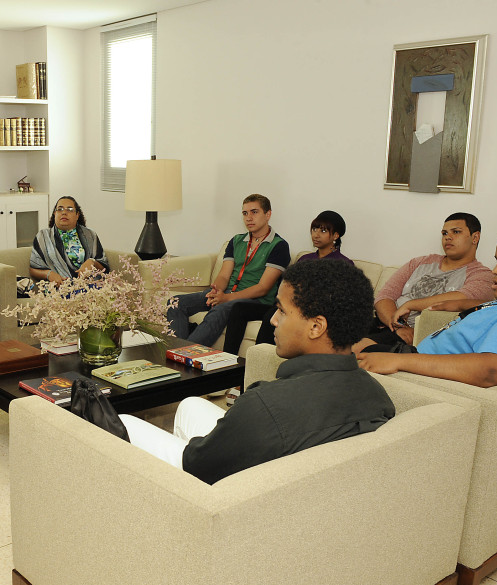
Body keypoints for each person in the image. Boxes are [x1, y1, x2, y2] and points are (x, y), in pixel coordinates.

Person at [116, 259, 394, 485]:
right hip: (295, 478)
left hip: (235, 494)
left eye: (282, 312)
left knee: (123, 422)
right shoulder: (376, 394)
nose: (273, 320)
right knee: (189, 405)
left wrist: (205, 447)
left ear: (316, 327)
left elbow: (197, 465)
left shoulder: (266, 404)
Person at [358, 222, 497, 387]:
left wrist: (399, 360)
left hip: (416, 370)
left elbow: (491, 371)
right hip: (419, 357)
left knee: (338, 357)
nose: (496, 270)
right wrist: (468, 303)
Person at [223, 210, 352, 404]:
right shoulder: (305, 260)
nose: (316, 234)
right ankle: (230, 369)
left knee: (271, 318)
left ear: (336, 236)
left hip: (310, 315)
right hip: (286, 307)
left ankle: (253, 380)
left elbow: (336, 300)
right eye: (315, 229)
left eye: (323, 230)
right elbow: (287, 288)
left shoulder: (343, 264)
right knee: (240, 309)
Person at [353, 212, 494, 351]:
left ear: (475, 237)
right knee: (335, 335)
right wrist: (397, 325)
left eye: (456, 232)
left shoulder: (482, 275)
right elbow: (385, 296)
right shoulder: (419, 263)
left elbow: (461, 298)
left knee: (356, 349)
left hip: (419, 335)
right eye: (444, 233)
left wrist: (411, 305)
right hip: (388, 323)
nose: (448, 237)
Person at [167, 194, 291, 348]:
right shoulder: (236, 241)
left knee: (220, 309)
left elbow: (263, 288)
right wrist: (216, 291)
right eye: (245, 213)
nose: (248, 218)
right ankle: (176, 350)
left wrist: (226, 298)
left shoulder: (279, 246)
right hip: (226, 293)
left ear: (268, 214)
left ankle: (184, 353)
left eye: (254, 212)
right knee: (175, 302)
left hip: (253, 300)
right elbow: (224, 275)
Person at [29, 196, 109, 285]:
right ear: (55, 213)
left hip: (90, 286)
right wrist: (49, 274)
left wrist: (92, 262)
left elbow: (104, 267)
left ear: (77, 215)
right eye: (60, 209)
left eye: (70, 209)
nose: (64, 212)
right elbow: (33, 269)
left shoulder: (90, 235)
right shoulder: (43, 236)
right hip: (58, 289)